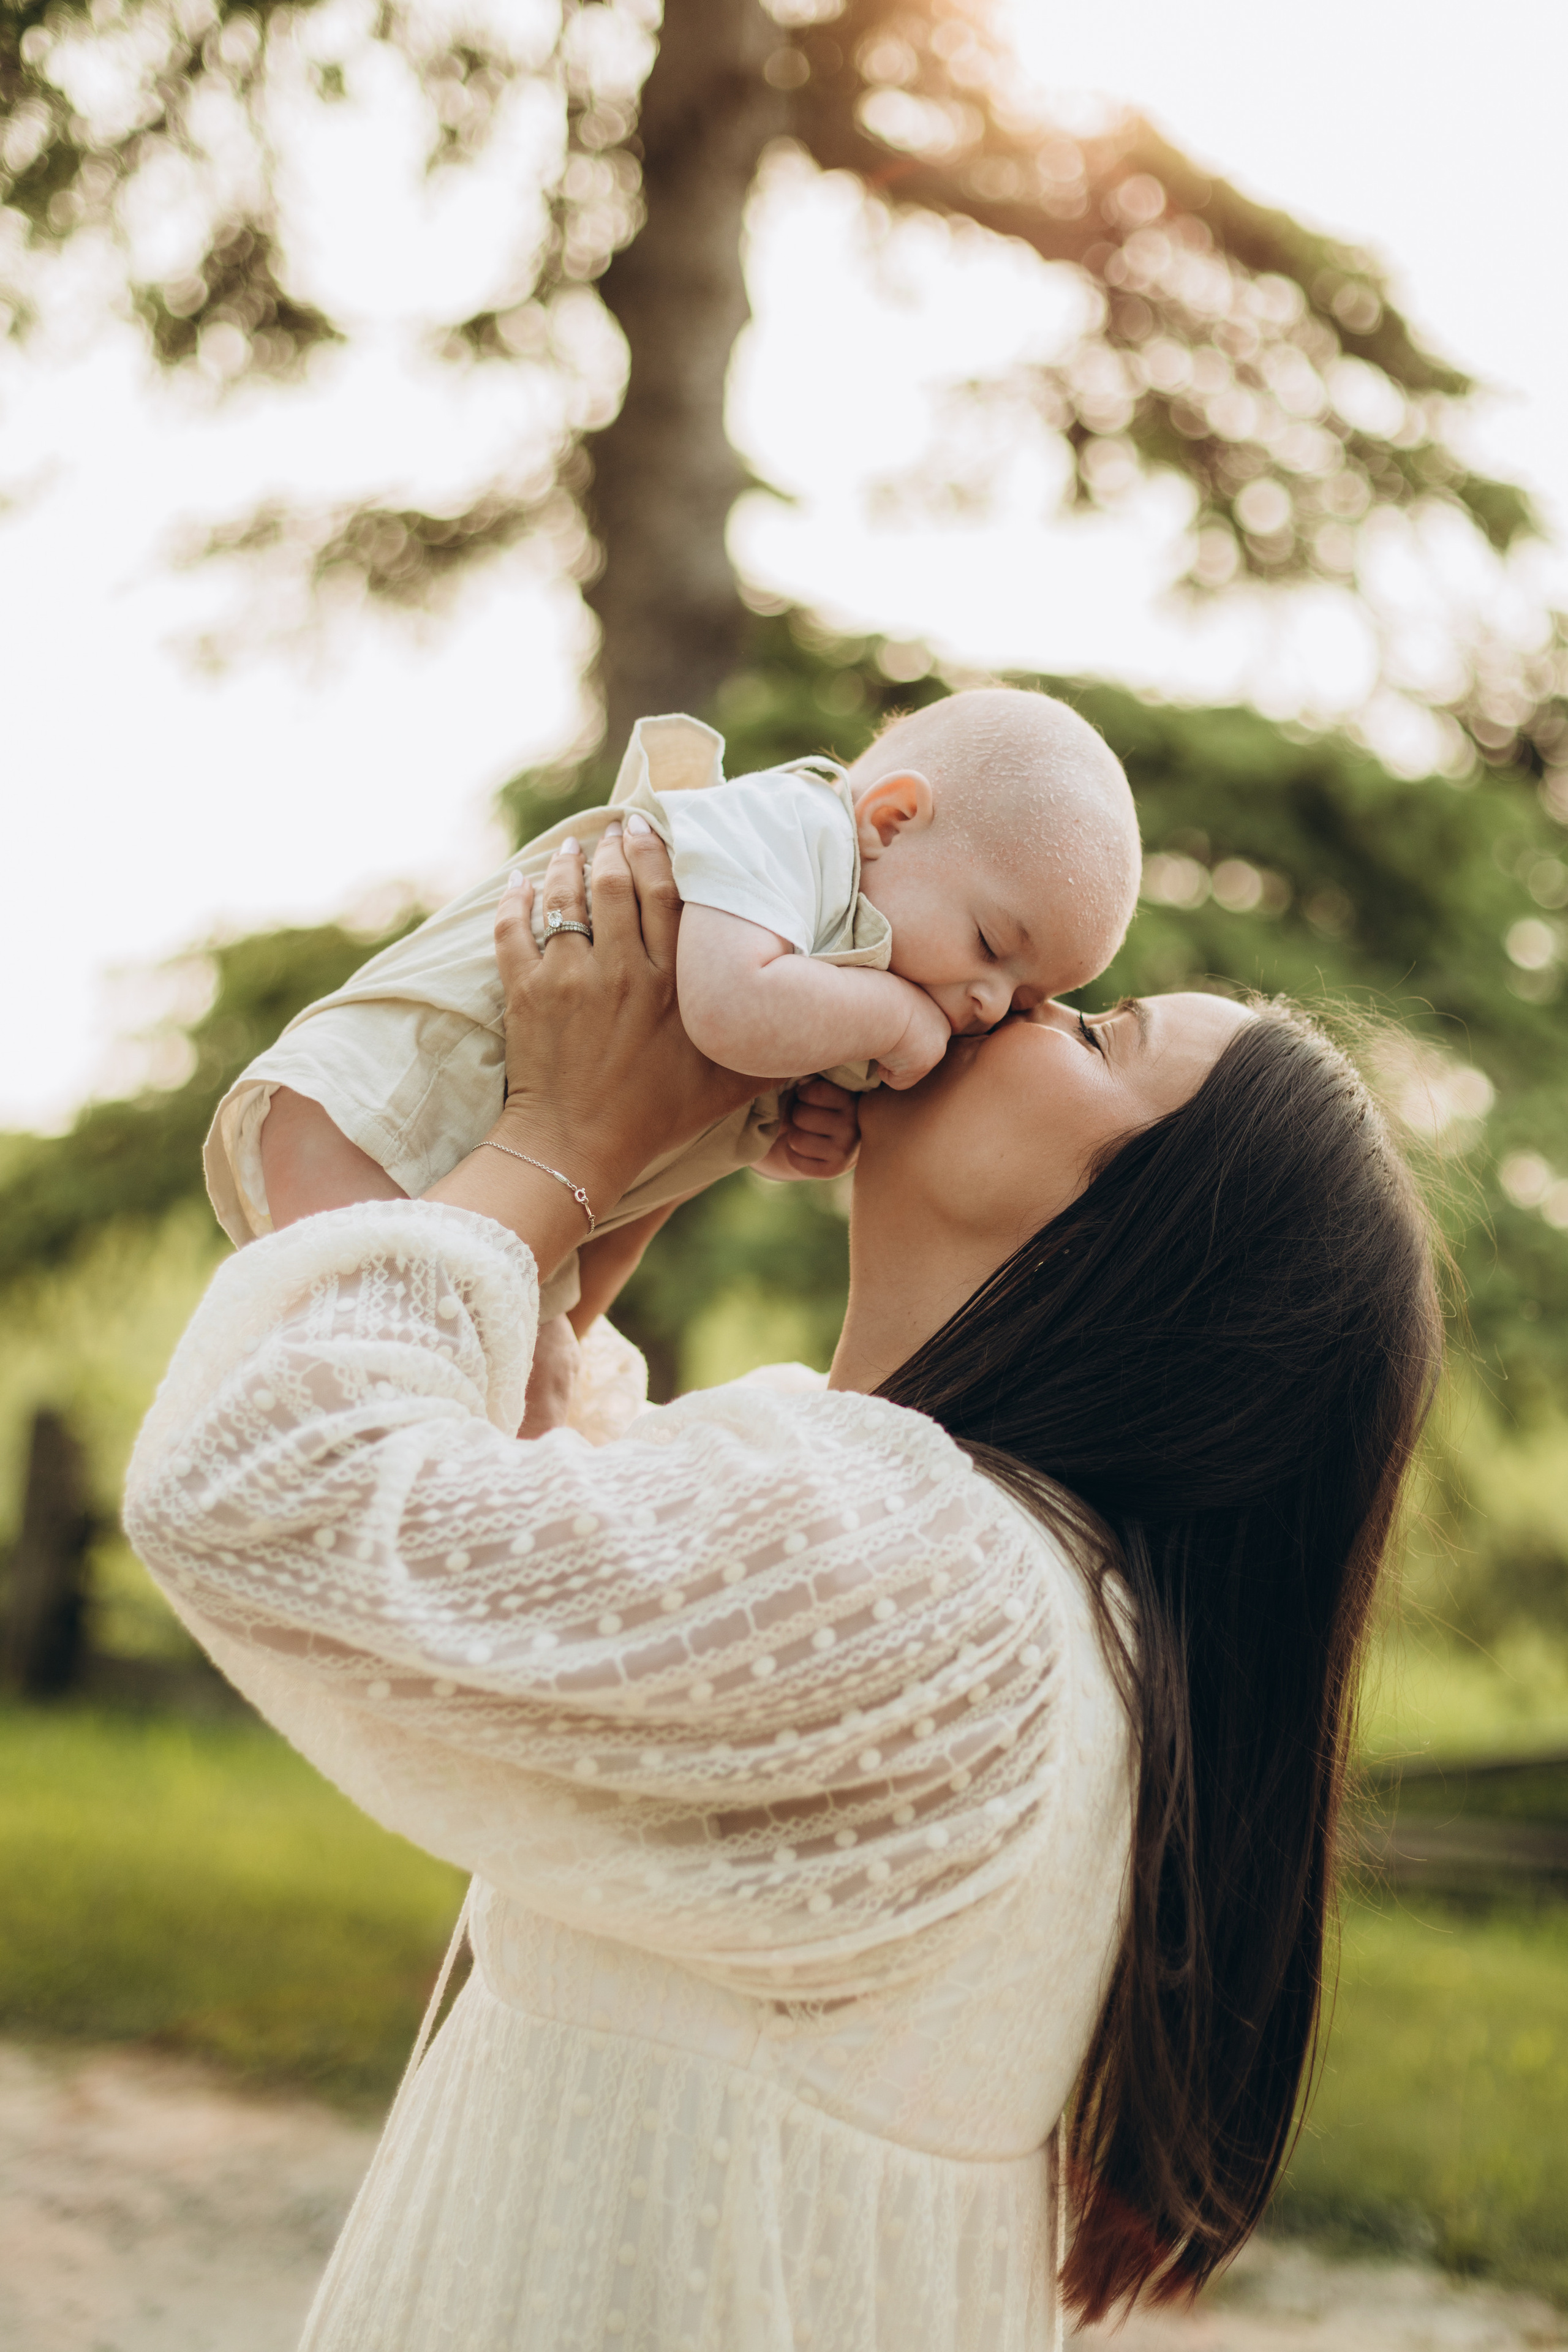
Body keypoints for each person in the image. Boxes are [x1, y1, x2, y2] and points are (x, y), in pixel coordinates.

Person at [126, 821, 1441, 2350]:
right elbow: (554, 1508)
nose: (1012, 1009)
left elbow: (271, 1491)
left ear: (1142, 1262)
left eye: (1095, 1033)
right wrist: (655, 1145)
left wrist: (564, 1140)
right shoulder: (1001, 1582)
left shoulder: (931, 1580)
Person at [203, 688, 1141, 1348]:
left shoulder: (857, 941)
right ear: (892, 821)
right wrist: (896, 1023)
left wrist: (787, 1136)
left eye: (1023, 1000)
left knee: (512, 1395)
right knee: (352, 1358)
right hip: (389, 1101)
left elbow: (704, 1088)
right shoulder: (796, 828)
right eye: (990, 942)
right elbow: (731, 1013)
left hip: (487, 1159)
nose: (985, 1005)